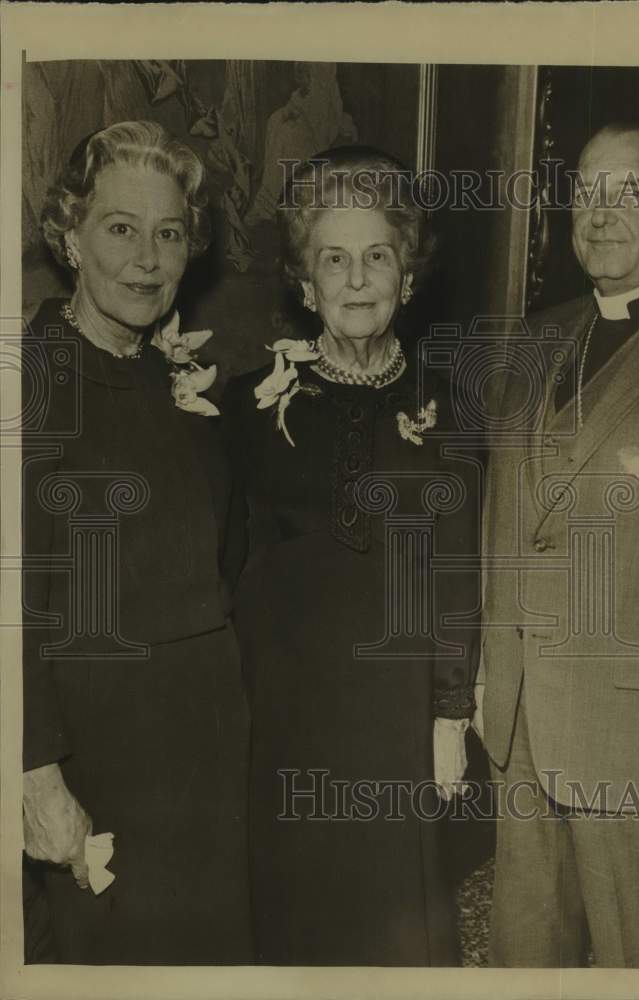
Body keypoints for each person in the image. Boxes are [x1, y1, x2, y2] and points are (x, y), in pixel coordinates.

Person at [223, 146, 481, 966]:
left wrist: (448, 714)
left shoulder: (450, 408)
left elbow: (457, 567)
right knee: (295, 919)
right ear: (306, 285)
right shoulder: (245, 405)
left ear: (407, 276)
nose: (358, 278)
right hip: (287, 717)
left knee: (392, 927)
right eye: (334, 260)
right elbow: (224, 560)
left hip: (395, 716)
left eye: (378, 256)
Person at [476, 120, 639, 968]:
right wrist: (488, 675)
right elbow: (504, 525)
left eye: (630, 192)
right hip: (522, 731)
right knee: (523, 961)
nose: (600, 213)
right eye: (585, 191)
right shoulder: (530, 343)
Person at [21, 120, 252, 964]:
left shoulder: (180, 379)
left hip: (206, 746)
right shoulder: (30, 379)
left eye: (169, 234)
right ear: (70, 235)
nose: (146, 259)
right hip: (96, 752)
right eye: (120, 228)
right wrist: (34, 773)